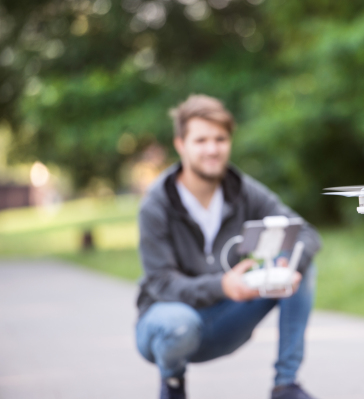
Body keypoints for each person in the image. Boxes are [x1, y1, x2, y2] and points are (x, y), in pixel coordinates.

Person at [135, 94, 322, 399]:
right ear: (180, 144)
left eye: (220, 139)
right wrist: (223, 285)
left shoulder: (242, 190)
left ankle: (285, 385)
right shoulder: (156, 205)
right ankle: (172, 383)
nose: (212, 149)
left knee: (300, 258)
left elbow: (307, 233)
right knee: (179, 323)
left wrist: (287, 266)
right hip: (167, 325)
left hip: (227, 320)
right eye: (201, 140)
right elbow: (162, 283)